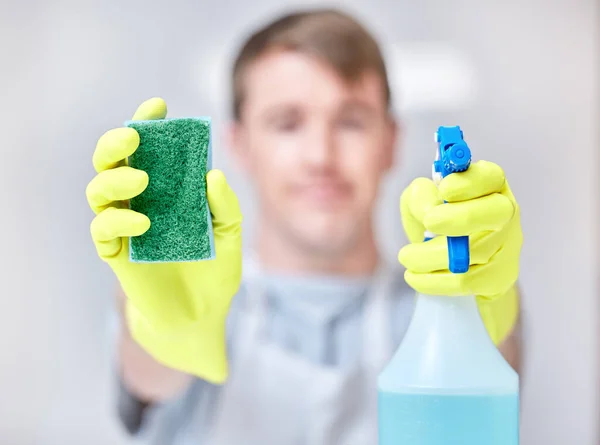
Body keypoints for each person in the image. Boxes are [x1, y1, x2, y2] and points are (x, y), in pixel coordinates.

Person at [86, 8, 523, 445]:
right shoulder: (191, 294)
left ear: (390, 142)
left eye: (351, 121)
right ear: (240, 146)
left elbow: (495, 372)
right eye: (287, 123)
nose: (320, 156)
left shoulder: (443, 305)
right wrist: (162, 332)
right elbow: (149, 378)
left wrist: (485, 305)